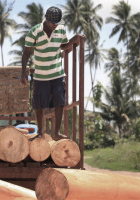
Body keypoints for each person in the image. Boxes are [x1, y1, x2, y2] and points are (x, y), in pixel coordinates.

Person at [21, 6, 85, 140]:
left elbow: (62, 46)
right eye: (53, 23)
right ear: (46, 19)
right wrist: (23, 73)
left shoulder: (61, 29)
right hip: (40, 76)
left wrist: (74, 39)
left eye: (57, 23)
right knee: (38, 105)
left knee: (59, 102)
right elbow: (26, 53)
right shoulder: (35, 32)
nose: (55, 26)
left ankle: (56, 133)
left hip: (57, 74)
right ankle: (40, 133)